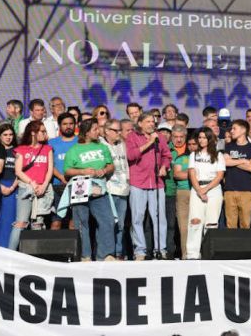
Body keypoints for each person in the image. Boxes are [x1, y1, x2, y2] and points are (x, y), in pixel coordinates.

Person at [64, 119, 116, 261]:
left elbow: (111, 165)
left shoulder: (102, 147)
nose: (98, 131)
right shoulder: (74, 150)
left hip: (99, 188)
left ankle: (105, 255)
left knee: (107, 220)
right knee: (81, 222)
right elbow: (67, 171)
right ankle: (84, 255)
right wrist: (83, 171)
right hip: (79, 187)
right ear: (86, 132)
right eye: (95, 129)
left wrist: (104, 170)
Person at [125, 112, 172, 260]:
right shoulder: (132, 137)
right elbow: (131, 156)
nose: (152, 124)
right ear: (140, 124)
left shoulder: (160, 138)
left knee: (159, 218)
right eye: (148, 121)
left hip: (157, 183)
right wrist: (149, 143)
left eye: (153, 121)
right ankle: (140, 251)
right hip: (138, 182)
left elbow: (167, 156)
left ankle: (161, 249)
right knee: (137, 218)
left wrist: (164, 166)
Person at [9, 121, 54, 250]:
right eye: (43, 131)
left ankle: (36, 256)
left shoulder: (47, 149)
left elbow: (49, 169)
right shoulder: (21, 149)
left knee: (38, 223)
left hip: (43, 189)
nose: (45, 134)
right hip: (26, 188)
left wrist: (44, 185)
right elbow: (18, 171)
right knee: (21, 222)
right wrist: (32, 183)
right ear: (33, 133)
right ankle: (10, 254)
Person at [186, 128, 226, 259]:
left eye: (204, 137)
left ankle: (209, 252)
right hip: (197, 188)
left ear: (210, 139)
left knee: (211, 223)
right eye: (200, 137)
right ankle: (192, 254)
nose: (201, 140)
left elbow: (220, 175)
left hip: (213, 189)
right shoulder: (194, 155)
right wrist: (199, 190)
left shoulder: (218, 155)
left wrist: (206, 189)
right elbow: (192, 173)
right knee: (195, 221)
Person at [101, 118, 131, 259]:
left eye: (120, 130)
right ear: (106, 131)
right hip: (108, 189)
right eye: (115, 130)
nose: (119, 133)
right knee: (109, 223)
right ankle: (108, 253)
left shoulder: (122, 144)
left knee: (121, 224)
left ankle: (119, 253)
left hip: (123, 189)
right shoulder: (101, 145)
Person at [223, 120, 251, 229]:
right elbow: (225, 162)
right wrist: (242, 160)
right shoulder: (229, 146)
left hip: (246, 191)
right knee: (230, 225)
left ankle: (245, 246)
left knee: (245, 224)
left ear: (243, 130)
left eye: (234, 128)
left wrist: (233, 161)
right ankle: (231, 246)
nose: (232, 131)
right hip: (229, 190)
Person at [47, 113, 77, 230]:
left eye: (71, 124)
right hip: (57, 186)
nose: (68, 126)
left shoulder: (81, 141)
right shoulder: (51, 143)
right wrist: (60, 177)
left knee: (74, 223)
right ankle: (52, 248)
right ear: (59, 125)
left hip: (77, 186)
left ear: (75, 125)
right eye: (65, 124)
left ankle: (74, 249)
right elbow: (49, 164)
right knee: (56, 222)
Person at [167, 125, 192, 259]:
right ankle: (173, 253)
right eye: (175, 137)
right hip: (170, 190)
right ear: (171, 137)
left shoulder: (192, 149)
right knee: (172, 225)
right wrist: (193, 173)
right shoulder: (167, 150)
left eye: (181, 137)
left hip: (192, 190)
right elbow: (177, 174)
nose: (178, 140)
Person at [0, 123, 18, 248]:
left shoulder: (17, 150)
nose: (8, 137)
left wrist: (12, 187)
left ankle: (8, 248)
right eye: (5, 135)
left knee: (9, 220)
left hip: (13, 187)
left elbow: (22, 172)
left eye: (11, 134)